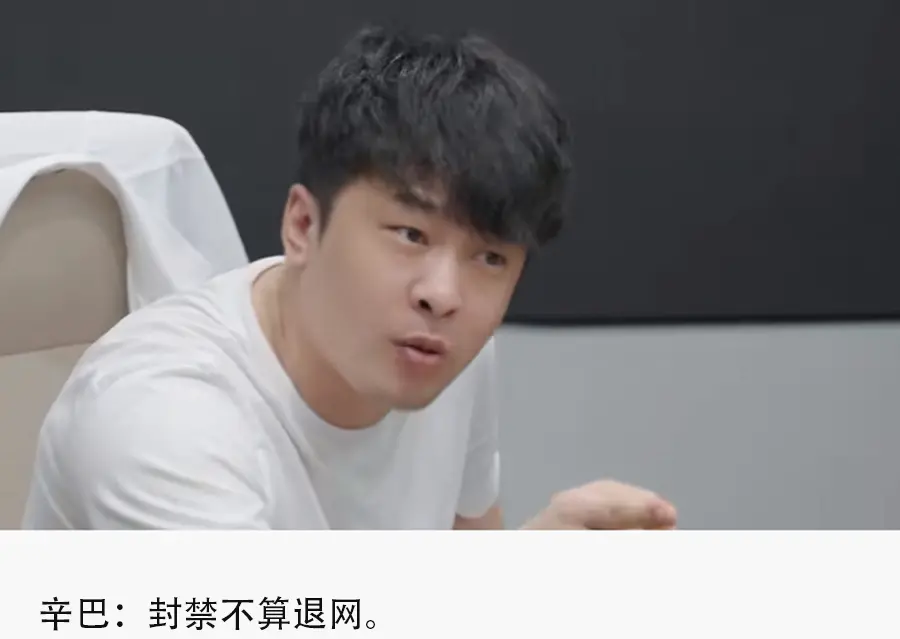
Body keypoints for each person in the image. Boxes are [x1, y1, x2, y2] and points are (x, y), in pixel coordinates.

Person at [21, 26, 677, 530]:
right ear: (303, 225)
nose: (443, 294)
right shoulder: (162, 419)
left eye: (490, 259)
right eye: (410, 235)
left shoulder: (442, 348)